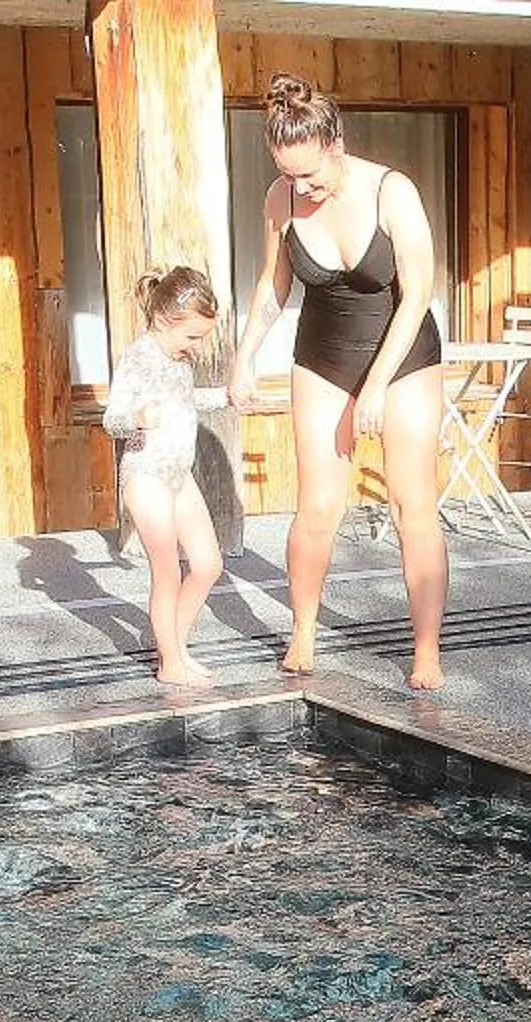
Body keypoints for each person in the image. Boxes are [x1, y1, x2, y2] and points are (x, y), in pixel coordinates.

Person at [230, 74, 450, 692]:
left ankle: (426, 650)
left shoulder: (392, 192)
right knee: (317, 507)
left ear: (336, 143)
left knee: (413, 506)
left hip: (404, 357)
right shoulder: (282, 199)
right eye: (289, 175)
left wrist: (376, 386)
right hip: (322, 357)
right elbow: (273, 287)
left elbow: (417, 295)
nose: (302, 187)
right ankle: (303, 630)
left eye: (311, 175)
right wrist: (244, 356)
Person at [104, 265, 227, 690]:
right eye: (191, 336)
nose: (195, 346)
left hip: (178, 472)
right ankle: (171, 661)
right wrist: (136, 418)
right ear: (163, 319)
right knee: (167, 570)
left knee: (209, 564)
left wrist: (229, 396)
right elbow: (111, 420)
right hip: (145, 474)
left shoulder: (180, 360)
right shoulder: (138, 357)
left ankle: (173, 645)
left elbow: (186, 403)